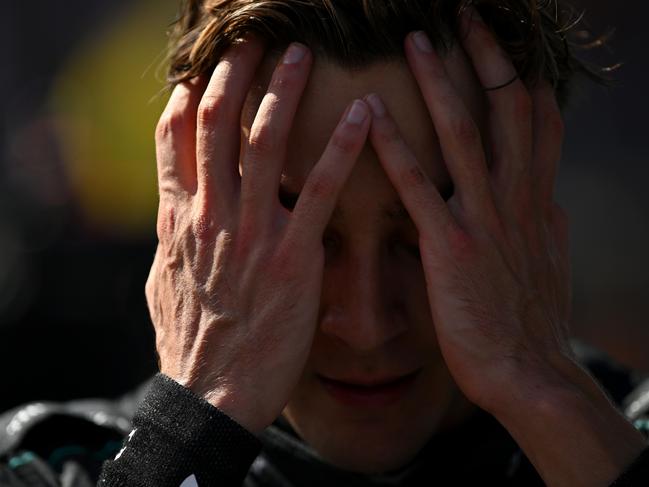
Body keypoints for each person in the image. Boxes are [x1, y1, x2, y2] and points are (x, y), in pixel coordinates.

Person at [2, 0, 649, 486]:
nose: (365, 324)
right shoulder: (48, 464)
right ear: (193, 218)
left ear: (528, 202)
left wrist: (546, 399)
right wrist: (197, 414)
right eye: (299, 231)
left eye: (427, 234)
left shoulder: (622, 436)